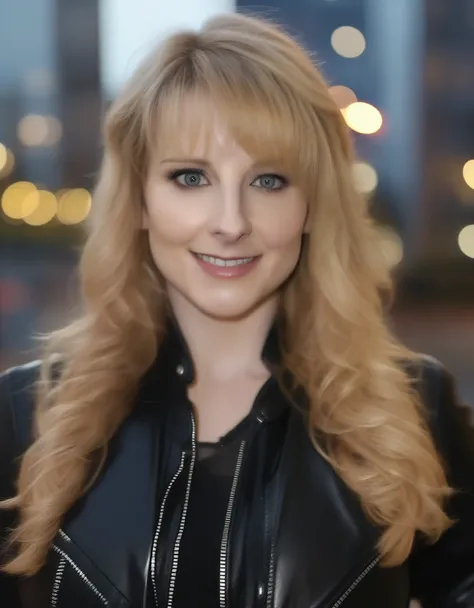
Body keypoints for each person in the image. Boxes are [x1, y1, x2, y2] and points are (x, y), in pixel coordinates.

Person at [1, 12, 473, 608]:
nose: (230, 223)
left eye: (269, 181)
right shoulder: (23, 417)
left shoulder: (417, 410)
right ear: (141, 200)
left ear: (311, 206)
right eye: (191, 177)